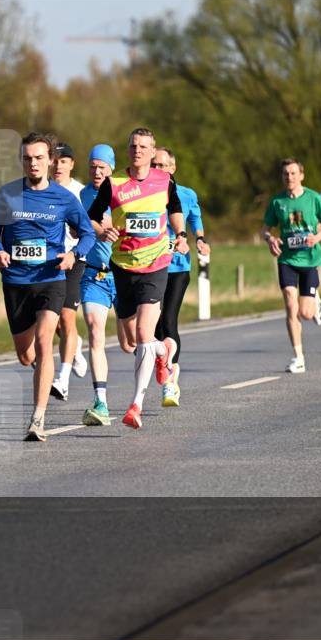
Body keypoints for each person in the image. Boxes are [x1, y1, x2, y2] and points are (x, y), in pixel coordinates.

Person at [0, 132, 95, 442]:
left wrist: (74, 255)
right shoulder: (7, 194)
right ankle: (40, 374)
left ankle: (37, 419)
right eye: (27, 158)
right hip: (16, 281)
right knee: (25, 354)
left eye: (38, 157)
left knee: (47, 342)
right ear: (22, 160)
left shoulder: (64, 198)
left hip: (50, 279)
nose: (32, 163)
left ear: (50, 160)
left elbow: (87, 233)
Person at [85, 128, 188, 430]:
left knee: (144, 333)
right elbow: (92, 215)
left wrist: (180, 234)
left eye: (143, 146)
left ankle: (135, 405)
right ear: (127, 150)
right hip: (122, 265)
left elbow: (176, 208)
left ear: (153, 152)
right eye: (133, 146)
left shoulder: (164, 180)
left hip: (156, 264)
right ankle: (164, 350)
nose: (138, 150)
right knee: (131, 342)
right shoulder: (113, 183)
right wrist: (101, 231)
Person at [261, 158, 321, 373]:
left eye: (293, 173)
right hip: (287, 260)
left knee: (305, 313)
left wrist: (317, 237)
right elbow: (265, 229)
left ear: (301, 175)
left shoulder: (313, 199)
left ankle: (315, 302)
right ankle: (298, 357)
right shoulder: (277, 202)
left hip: (310, 260)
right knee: (291, 307)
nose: (289, 177)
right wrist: (271, 239)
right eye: (286, 174)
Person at [151, 148, 210, 407]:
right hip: (151, 266)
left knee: (169, 319)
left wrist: (199, 239)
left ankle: (171, 380)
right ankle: (164, 362)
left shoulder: (186, 194)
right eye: (155, 165)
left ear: (172, 168)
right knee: (154, 326)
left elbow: (195, 217)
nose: (159, 169)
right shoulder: (145, 194)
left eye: (163, 165)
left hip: (177, 267)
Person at [78, 144, 118, 426]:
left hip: (124, 272)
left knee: (131, 343)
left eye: (102, 167)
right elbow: (78, 226)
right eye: (92, 166)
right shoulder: (83, 195)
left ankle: (162, 356)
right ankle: (101, 400)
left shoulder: (123, 193)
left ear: (111, 169)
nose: (96, 171)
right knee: (95, 330)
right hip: (94, 275)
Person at [49, 141, 89, 402]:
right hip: (48, 260)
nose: (59, 165)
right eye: (55, 160)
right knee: (51, 320)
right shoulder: (42, 189)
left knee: (66, 317)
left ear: (72, 164)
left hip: (74, 259)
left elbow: (89, 227)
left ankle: (62, 379)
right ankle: (74, 347)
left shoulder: (80, 192)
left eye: (64, 161)